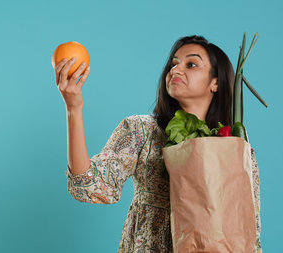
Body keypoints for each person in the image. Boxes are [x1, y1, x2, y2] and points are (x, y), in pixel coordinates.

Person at [54, 35, 262, 253]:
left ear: (216, 82)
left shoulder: (234, 149)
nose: (176, 70)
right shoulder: (141, 131)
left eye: (191, 64)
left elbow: (249, 232)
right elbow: (88, 186)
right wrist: (73, 108)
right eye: (173, 64)